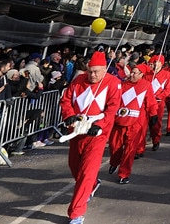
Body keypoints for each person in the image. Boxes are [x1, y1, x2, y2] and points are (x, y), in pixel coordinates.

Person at [59, 50, 120, 224]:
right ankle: (92, 185)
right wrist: (68, 115)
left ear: (104, 69)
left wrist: (99, 126)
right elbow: (66, 100)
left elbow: (112, 108)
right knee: (75, 167)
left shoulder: (113, 83)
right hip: (77, 132)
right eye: (90, 71)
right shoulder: (78, 80)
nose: (92, 75)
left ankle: (76, 213)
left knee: (86, 172)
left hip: (97, 135)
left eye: (96, 71)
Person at [107, 63, 157, 184]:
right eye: (132, 72)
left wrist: (153, 114)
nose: (132, 74)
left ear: (141, 75)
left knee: (130, 150)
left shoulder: (146, 85)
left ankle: (124, 174)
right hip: (119, 121)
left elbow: (151, 101)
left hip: (135, 123)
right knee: (114, 147)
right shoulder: (122, 85)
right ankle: (114, 162)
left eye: (135, 73)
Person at [144, 55, 170, 151]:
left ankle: (156, 140)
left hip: (158, 103)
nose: (156, 64)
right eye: (155, 62)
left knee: (156, 124)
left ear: (162, 63)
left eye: (158, 62)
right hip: (147, 103)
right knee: (143, 124)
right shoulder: (147, 75)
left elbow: (168, 89)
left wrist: (160, 96)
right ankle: (139, 148)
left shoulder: (166, 74)